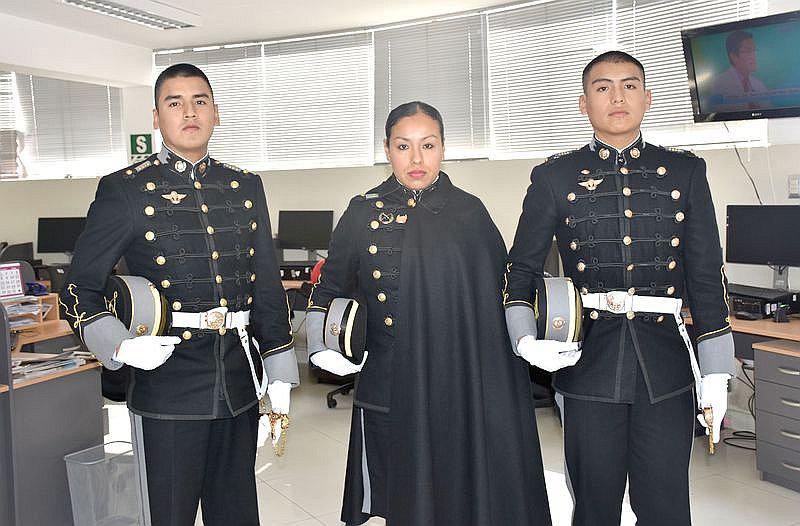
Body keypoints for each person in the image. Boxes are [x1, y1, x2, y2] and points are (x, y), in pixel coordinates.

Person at [59, 63, 299, 526]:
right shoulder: (125, 190)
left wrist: (280, 370)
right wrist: (122, 345)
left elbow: (266, 284)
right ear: (156, 117)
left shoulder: (245, 186)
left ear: (216, 113)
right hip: (166, 382)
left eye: (200, 101)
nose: (189, 112)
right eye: (175, 103)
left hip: (239, 382)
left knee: (237, 514)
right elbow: (78, 287)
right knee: (169, 514)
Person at [504, 51, 734, 526]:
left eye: (629, 85)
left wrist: (716, 371)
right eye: (603, 87)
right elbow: (520, 269)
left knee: (667, 506)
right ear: (584, 103)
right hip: (588, 363)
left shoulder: (686, 172)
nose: (617, 97)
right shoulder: (554, 176)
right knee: (594, 505)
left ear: (647, 99)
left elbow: (707, 277)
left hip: (666, 366)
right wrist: (526, 340)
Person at [307, 101, 552, 526]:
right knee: (401, 498)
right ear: (387, 148)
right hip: (389, 380)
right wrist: (320, 344)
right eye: (403, 146)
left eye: (428, 145)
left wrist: (524, 340)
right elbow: (328, 288)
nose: (416, 159)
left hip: (457, 382)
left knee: (457, 493)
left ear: (443, 148)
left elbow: (497, 295)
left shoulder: (469, 212)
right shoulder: (361, 212)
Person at [711, 30, 767, 110]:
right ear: (733, 56)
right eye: (748, 51)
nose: (754, 55)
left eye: (754, 50)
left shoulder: (759, 85)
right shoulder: (719, 84)